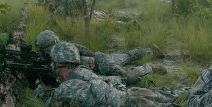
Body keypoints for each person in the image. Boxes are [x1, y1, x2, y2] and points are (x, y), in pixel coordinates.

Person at [43, 41, 190, 107]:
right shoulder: (83, 71)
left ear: (61, 63)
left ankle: (211, 103)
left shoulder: (67, 88)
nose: (50, 65)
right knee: (176, 95)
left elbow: (49, 104)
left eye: (53, 62)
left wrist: (38, 86)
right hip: (131, 94)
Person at [35, 30, 164, 86]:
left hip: (100, 62)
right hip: (99, 63)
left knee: (126, 76)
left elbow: (86, 51)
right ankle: (148, 51)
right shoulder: (52, 57)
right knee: (125, 56)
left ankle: (148, 66)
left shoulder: (67, 48)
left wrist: (94, 62)